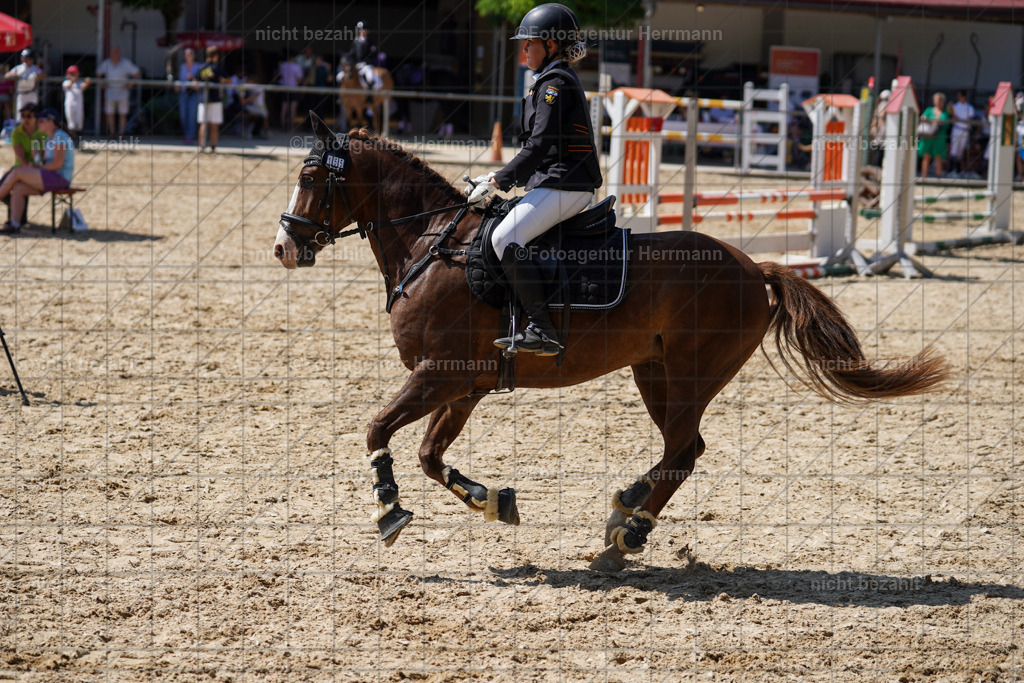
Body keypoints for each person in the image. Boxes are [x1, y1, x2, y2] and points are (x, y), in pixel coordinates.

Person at [463, 3, 602, 356]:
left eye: (530, 43)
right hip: (553, 182)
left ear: (551, 45)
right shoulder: (546, 82)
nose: (524, 50)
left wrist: (497, 181)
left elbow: (539, 145)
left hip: (566, 185)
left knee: (505, 237)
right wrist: (495, 176)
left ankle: (542, 329)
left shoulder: (556, 84)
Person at [0, 108, 74, 233]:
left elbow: (57, 164)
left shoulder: (60, 136)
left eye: (40, 121)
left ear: (50, 122)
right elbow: (46, 162)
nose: (37, 123)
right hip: (51, 176)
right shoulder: (50, 137)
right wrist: (36, 157)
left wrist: (36, 167)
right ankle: (15, 224)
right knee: (18, 187)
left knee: (17, 172)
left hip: (60, 178)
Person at [1, 103, 46, 226]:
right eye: (23, 116)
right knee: (5, 185)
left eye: (29, 116)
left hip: (37, 169)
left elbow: (41, 156)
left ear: (36, 117)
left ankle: (17, 217)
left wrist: (33, 167)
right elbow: (20, 156)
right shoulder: (17, 132)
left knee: (18, 185)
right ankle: (17, 213)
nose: (25, 119)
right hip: (20, 167)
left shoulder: (42, 132)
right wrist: (27, 169)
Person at [96, 46, 140, 137]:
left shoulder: (126, 63)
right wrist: (102, 84)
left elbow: (137, 72)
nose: (115, 54)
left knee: (122, 113)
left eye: (116, 52)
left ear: (120, 53)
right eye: (113, 52)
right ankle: (112, 133)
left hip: (123, 91)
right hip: (110, 91)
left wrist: (131, 84)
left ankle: (121, 133)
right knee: (109, 113)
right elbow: (98, 72)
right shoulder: (106, 63)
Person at [197, 46, 228, 152]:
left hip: (203, 98)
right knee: (214, 124)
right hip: (215, 99)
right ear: (215, 56)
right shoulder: (217, 68)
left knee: (203, 123)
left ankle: (201, 146)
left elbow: (195, 82)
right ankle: (213, 147)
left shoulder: (200, 68)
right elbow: (228, 80)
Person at [918, 91, 949, 179]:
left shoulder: (945, 113)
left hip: (939, 138)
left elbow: (943, 123)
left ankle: (938, 177)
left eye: (939, 100)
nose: (937, 102)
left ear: (943, 101)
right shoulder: (929, 110)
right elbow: (923, 118)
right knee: (926, 157)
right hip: (928, 137)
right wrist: (934, 121)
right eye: (935, 100)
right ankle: (924, 177)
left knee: (938, 157)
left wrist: (930, 120)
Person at [175, 48, 201, 144]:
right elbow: (180, 79)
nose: (187, 56)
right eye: (186, 54)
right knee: (183, 115)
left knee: (191, 116)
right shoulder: (182, 67)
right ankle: (186, 134)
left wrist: (192, 78)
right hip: (183, 93)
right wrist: (177, 86)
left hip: (193, 94)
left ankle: (190, 135)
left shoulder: (198, 67)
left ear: (193, 56)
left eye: (189, 54)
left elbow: (200, 81)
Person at [4, 49, 43, 113]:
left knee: (33, 113)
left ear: (32, 59)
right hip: (21, 94)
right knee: (19, 114)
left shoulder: (35, 68)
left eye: (28, 58)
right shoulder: (19, 68)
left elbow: (44, 74)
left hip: (31, 93)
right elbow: (6, 75)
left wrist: (35, 76)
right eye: (24, 58)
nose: (26, 60)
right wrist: (17, 74)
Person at [948, 90, 976, 177]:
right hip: (956, 129)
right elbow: (953, 120)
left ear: (964, 97)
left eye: (961, 96)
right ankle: (951, 170)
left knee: (960, 151)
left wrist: (959, 119)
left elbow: (970, 120)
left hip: (965, 131)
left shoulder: (969, 107)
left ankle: (959, 171)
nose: (959, 97)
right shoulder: (955, 106)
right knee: (954, 150)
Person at [62, 65, 91, 147]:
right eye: (71, 74)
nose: (73, 75)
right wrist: (72, 80)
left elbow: (84, 86)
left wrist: (87, 82)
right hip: (69, 105)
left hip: (78, 105)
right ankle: (71, 141)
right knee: (71, 123)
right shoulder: (66, 82)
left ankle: (78, 141)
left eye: (74, 73)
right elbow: (68, 86)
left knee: (79, 123)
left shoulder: (80, 83)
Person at [345, 21, 379, 88]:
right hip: (356, 65)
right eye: (360, 30)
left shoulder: (370, 41)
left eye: (363, 30)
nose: (362, 31)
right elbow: (352, 53)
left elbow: (373, 53)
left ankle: (369, 96)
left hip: (367, 65)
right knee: (342, 76)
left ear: (367, 31)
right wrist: (347, 57)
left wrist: (366, 62)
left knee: (370, 77)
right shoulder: (355, 41)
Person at [276, 54, 303, 132]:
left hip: (284, 88)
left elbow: (280, 76)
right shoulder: (296, 67)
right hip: (293, 89)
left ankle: (283, 127)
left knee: (284, 108)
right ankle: (291, 127)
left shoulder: (282, 66)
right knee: (292, 109)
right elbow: (299, 80)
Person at [869, 88, 890, 167]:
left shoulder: (879, 105)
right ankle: (876, 167)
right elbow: (881, 116)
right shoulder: (885, 104)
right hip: (881, 130)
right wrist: (880, 126)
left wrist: (872, 127)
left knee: (876, 150)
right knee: (880, 150)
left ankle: (874, 166)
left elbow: (875, 118)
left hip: (877, 130)